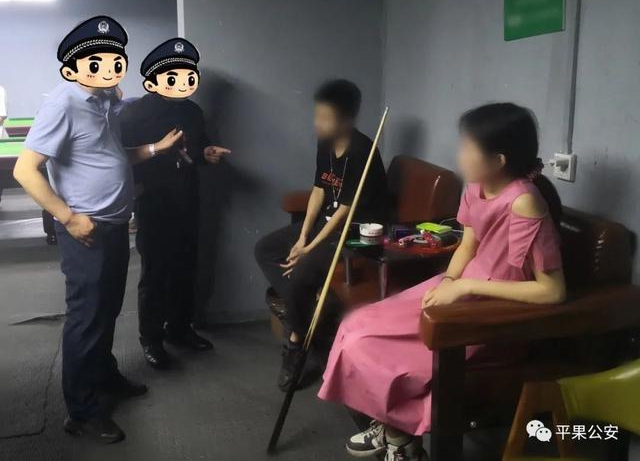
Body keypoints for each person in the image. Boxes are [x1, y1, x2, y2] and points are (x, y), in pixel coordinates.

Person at [318, 103, 566, 461]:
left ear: (497, 160)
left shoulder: (524, 203)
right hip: (462, 289)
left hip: (497, 312)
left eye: (467, 147)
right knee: (357, 326)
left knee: (383, 351)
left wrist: (465, 287)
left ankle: (400, 439)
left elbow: (552, 290)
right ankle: (393, 427)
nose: (459, 154)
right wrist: (449, 279)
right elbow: (468, 245)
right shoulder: (477, 187)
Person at [13, 16, 183, 444]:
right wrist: (69, 218)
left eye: (114, 60)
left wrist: (155, 148)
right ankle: (82, 411)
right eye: (97, 62)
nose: (108, 68)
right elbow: (25, 170)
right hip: (86, 231)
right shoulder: (63, 103)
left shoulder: (104, 101)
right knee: (87, 317)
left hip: (114, 225)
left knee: (106, 309)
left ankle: (105, 377)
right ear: (73, 67)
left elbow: (113, 155)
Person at [254, 79, 388, 392]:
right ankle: (310, 308)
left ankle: (296, 342)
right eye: (318, 115)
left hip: (353, 234)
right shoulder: (325, 143)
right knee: (265, 249)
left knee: (301, 272)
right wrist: (303, 236)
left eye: (325, 118)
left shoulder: (362, 151)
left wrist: (309, 248)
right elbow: (318, 190)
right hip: (325, 225)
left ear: (347, 119)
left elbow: (345, 211)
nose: (318, 123)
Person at [120, 37, 231, 369]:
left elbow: (196, 148)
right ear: (153, 79)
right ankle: (151, 338)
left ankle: (180, 329)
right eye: (174, 75)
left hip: (187, 199)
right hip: (153, 201)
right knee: (155, 272)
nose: (182, 82)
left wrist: (206, 153)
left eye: (187, 75)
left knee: (185, 267)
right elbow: (123, 158)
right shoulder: (134, 113)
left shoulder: (192, 111)